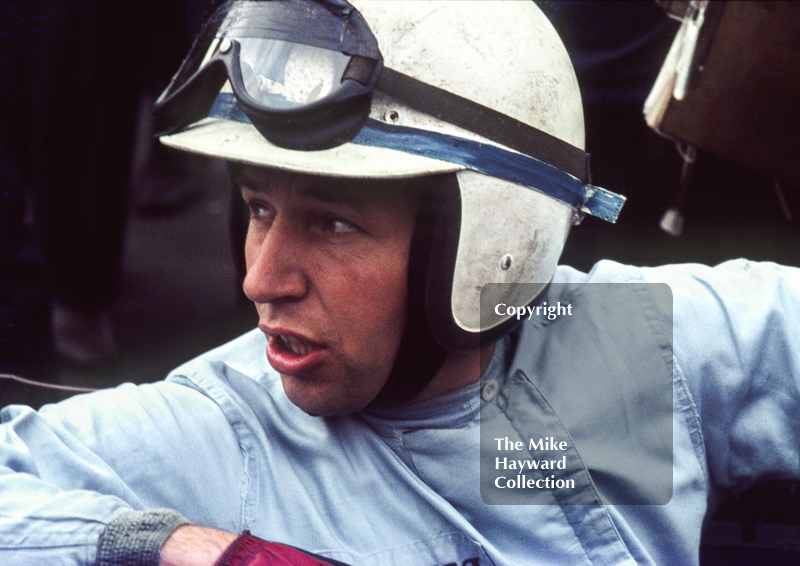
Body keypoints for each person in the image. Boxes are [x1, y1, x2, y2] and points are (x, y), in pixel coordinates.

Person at [1, 1, 798, 565]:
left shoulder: (618, 345)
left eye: (332, 224)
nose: (260, 280)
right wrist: (185, 549)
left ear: (491, 237)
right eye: (256, 207)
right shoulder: (231, 424)